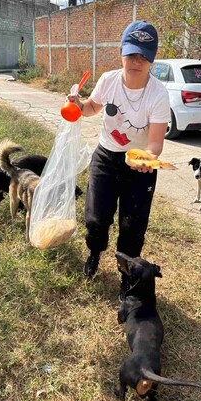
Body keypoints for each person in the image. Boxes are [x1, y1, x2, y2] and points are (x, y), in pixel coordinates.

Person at [68, 20, 170, 299]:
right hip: (106, 156)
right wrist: (78, 104)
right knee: (96, 217)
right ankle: (94, 253)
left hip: (139, 163)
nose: (136, 61)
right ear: (121, 53)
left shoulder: (158, 93)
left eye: (144, 56)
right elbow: (91, 108)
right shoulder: (108, 80)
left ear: (152, 59)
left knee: (132, 224)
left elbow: (155, 142)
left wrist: (148, 159)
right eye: (131, 54)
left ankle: (126, 273)